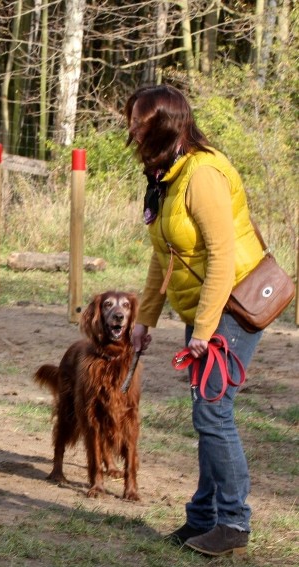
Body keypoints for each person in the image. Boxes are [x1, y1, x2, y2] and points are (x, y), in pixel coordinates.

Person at [124, 84, 264, 557]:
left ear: (165, 123)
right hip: (205, 307)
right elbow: (163, 257)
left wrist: (203, 332)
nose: (131, 128)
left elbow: (223, 259)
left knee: (213, 411)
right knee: (207, 414)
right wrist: (145, 319)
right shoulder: (167, 174)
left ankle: (233, 525)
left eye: (139, 121)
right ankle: (202, 519)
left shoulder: (202, 173)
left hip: (232, 306)